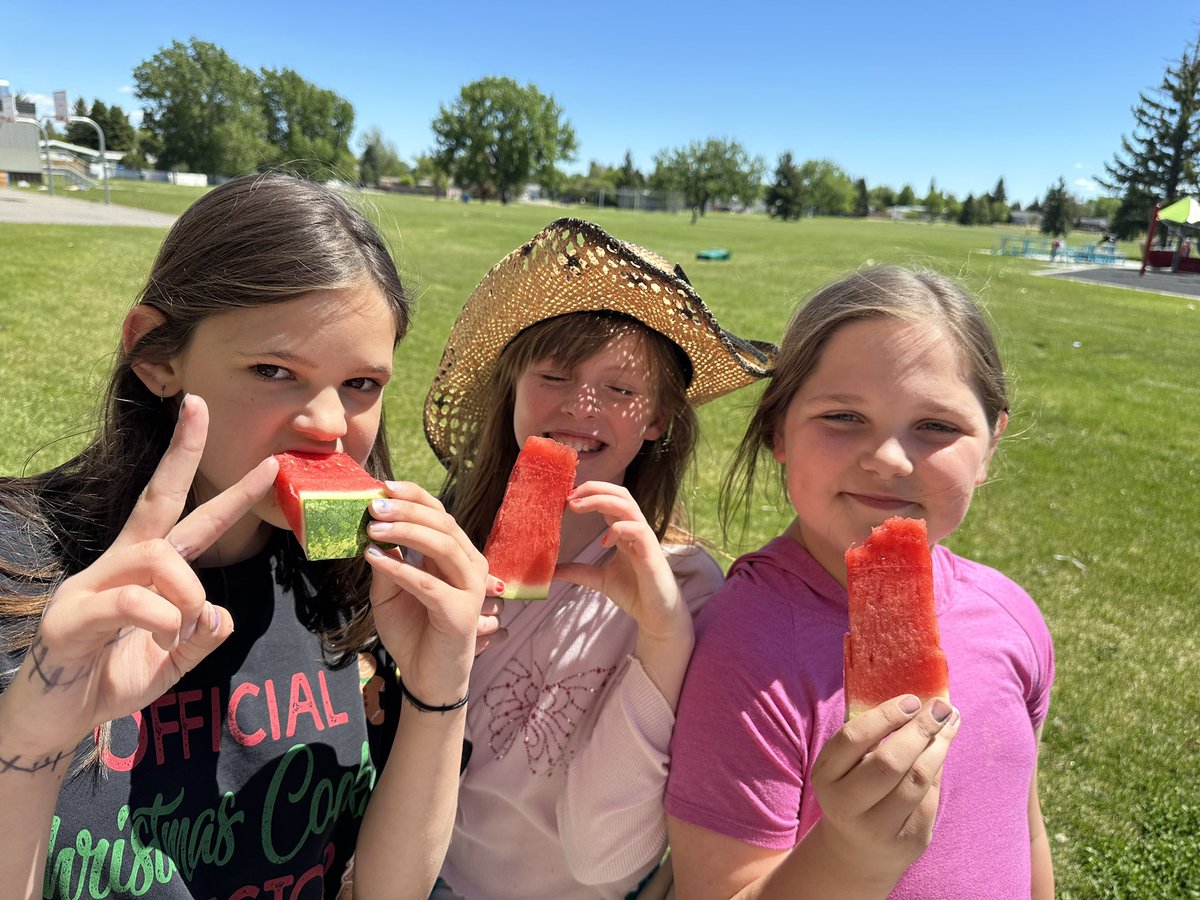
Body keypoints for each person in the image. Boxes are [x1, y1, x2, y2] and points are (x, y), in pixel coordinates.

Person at [0, 172, 498, 900]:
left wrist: (436, 691)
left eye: (361, 384)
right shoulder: (18, 570)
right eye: (275, 370)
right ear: (157, 356)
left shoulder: (360, 593)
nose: (330, 425)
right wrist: (32, 746)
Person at [664, 265, 1055, 899]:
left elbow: (1025, 826)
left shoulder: (1009, 615)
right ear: (777, 431)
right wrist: (853, 856)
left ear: (990, 445)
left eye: (937, 427)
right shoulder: (743, 651)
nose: (888, 459)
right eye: (844, 416)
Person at [422, 218, 777, 899]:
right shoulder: (455, 532)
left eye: (622, 390)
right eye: (554, 374)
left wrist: (664, 636)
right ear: (513, 390)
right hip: (420, 871)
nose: (580, 407)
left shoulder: (683, 589)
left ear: (658, 421)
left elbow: (606, 858)